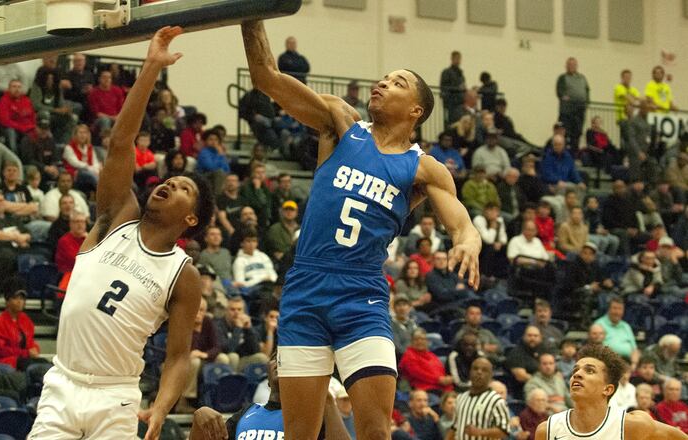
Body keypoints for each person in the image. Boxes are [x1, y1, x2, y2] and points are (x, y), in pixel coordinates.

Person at [242, 21, 481, 440]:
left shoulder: (424, 168)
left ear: (416, 111)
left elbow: (462, 223)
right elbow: (267, 77)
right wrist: (250, 14)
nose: (383, 83)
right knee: (300, 434)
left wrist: (467, 243)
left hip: (361, 295)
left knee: (374, 431)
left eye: (397, 82)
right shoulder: (339, 122)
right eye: (384, 78)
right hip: (306, 286)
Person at [29, 27, 214, 440]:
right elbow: (119, 143)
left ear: (191, 221)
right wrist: (150, 67)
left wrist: (162, 406)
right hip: (63, 383)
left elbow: (179, 355)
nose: (168, 184)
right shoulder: (119, 215)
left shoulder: (183, 274)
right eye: (170, 179)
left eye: (183, 188)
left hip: (116, 396)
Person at [534, 344, 687, 439]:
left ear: (607, 389)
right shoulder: (547, 430)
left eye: (589, 371)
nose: (577, 374)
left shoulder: (632, 425)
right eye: (576, 369)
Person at [190, 352, 350, 440]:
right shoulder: (246, 414)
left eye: (287, 358)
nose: (280, 360)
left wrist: (326, 399)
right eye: (275, 357)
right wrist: (199, 418)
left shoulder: (313, 417)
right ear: (266, 379)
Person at [446, 357, 510, 440]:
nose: (479, 372)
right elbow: (455, 427)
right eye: (475, 369)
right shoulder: (460, 398)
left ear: (490, 376)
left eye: (484, 370)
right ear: (470, 372)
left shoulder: (497, 401)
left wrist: (480, 432)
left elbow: (504, 431)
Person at [0, 289, 42, 370]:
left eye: (22, 299)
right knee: (34, 368)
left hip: (24, 358)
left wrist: (35, 348)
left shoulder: (25, 319)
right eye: (15, 298)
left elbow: (30, 341)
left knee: (46, 363)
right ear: (7, 302)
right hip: (6, 361)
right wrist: (26, 353)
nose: (19, 301)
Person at [398, 328, 453, 394]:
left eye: (422, 339)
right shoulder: (408, 356)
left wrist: (447, 379)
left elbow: (441, 372)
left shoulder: (432, 355)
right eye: (416, 339)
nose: (420, 341)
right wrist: (439, 380)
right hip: (422, 390)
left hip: (440, 387)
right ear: (411, 342)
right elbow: (418, 373)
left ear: (427, 342)